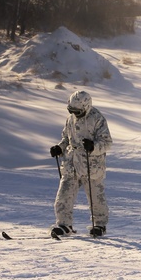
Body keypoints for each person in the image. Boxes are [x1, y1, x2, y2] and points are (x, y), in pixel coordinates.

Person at [50, 90, 113, 237]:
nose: (74, 114)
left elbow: (107, 143)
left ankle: (99, 224)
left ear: (86, 107)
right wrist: (60, 147)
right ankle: (64, 224)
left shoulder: (97, 119)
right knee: (64, 195)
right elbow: (66, 138)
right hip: (72, 163)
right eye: (71, 111)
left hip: (91, 164)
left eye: (77, 111)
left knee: (96, 197)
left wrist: (93, 146)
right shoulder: (70, 119)